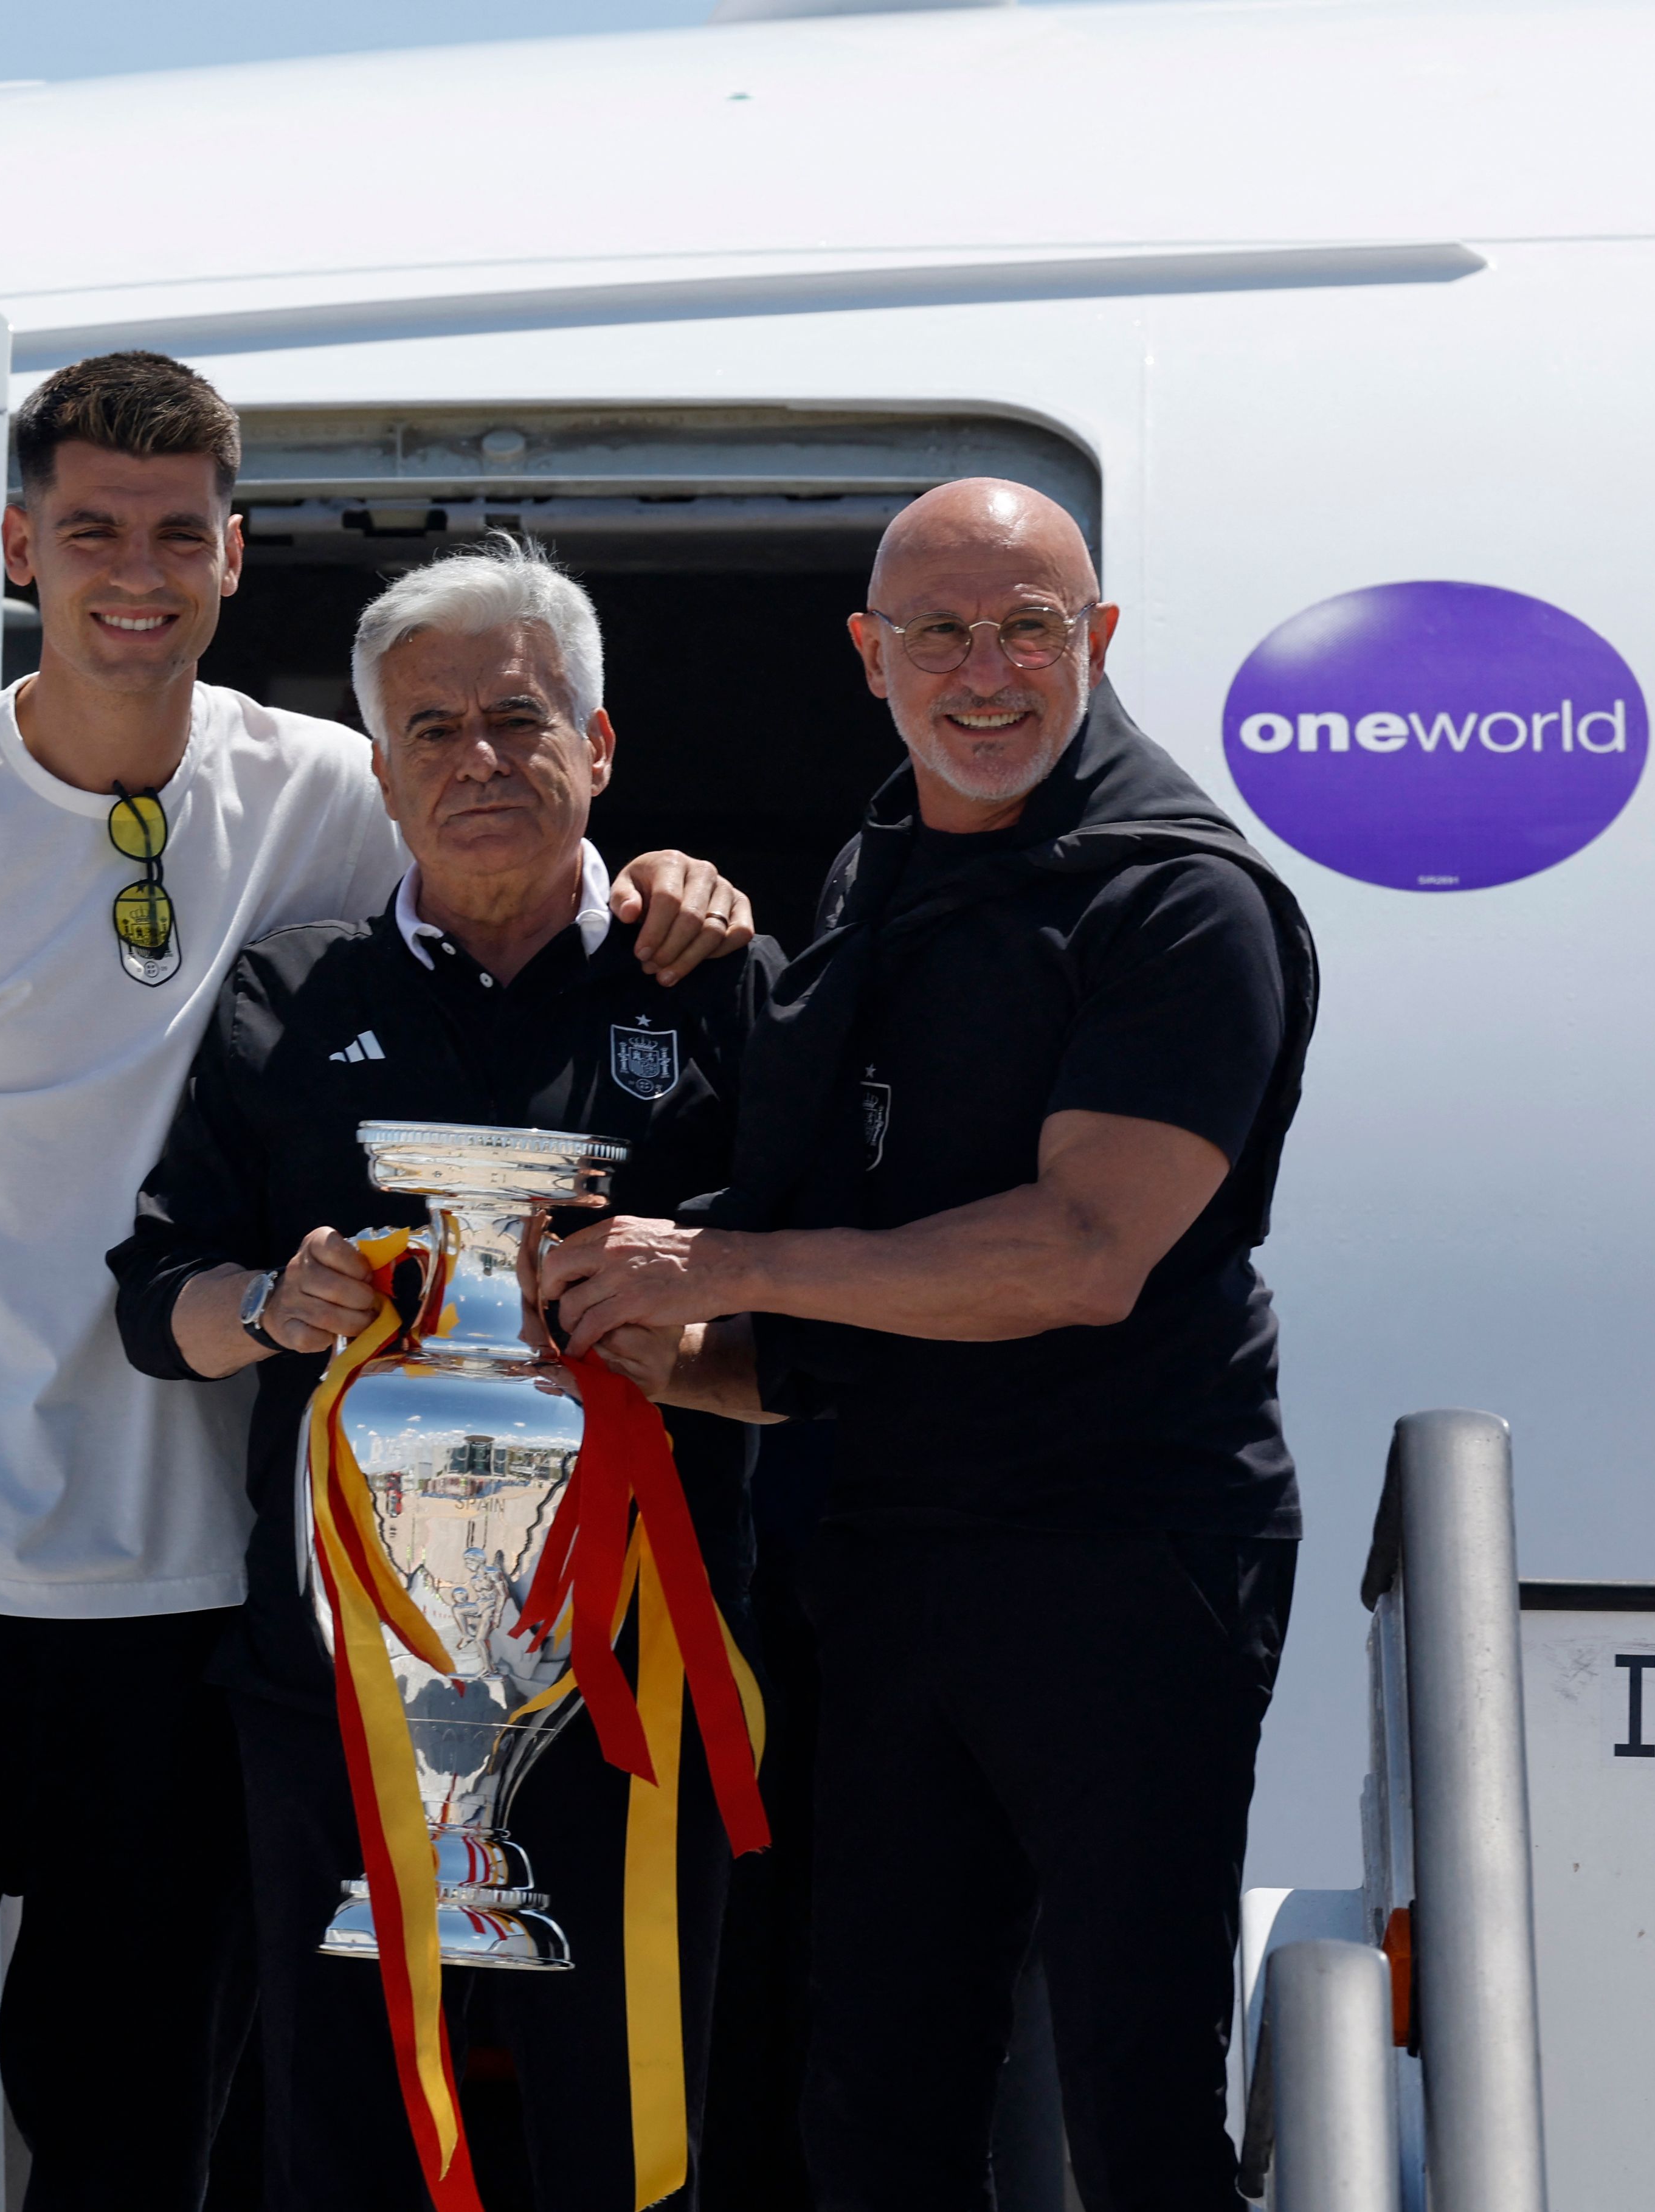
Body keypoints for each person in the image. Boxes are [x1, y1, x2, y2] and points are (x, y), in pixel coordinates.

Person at [0, 351, 754, 2207]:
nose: (137, 570)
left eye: (178, 533)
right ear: (21, 545)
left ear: (235, 554)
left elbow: (510, 823)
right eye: (91, 528)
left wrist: (677, 880)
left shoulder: (338, 785)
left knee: (135, 2152)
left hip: (197, 1622)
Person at [535, 479, 1322, 2212]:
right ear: (865, 657)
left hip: (1123, 1561)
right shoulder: (885, 863)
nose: (985, 670)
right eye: (939, 631)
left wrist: (717, 1258)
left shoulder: (1178, 901)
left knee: (1134, 2091)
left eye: (1027, 625)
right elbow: (844, 1292)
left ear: (1097, 641)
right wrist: (631, 1345)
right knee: (873, 2095)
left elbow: (1082, 1252)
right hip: (893, 1557)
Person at [109, 536, 775, 2212]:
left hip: (628, 1684)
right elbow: (153, 1301)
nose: (478, 760)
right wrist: (283, 1298)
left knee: (620, 2140)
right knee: (343, 2128)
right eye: (430, 730)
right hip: (338, 1686)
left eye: (518, 717)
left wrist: (665, 1337)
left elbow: (821, 1346)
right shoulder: (286, 987)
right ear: (381, 771)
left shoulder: (711, 984)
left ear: (599, 745)